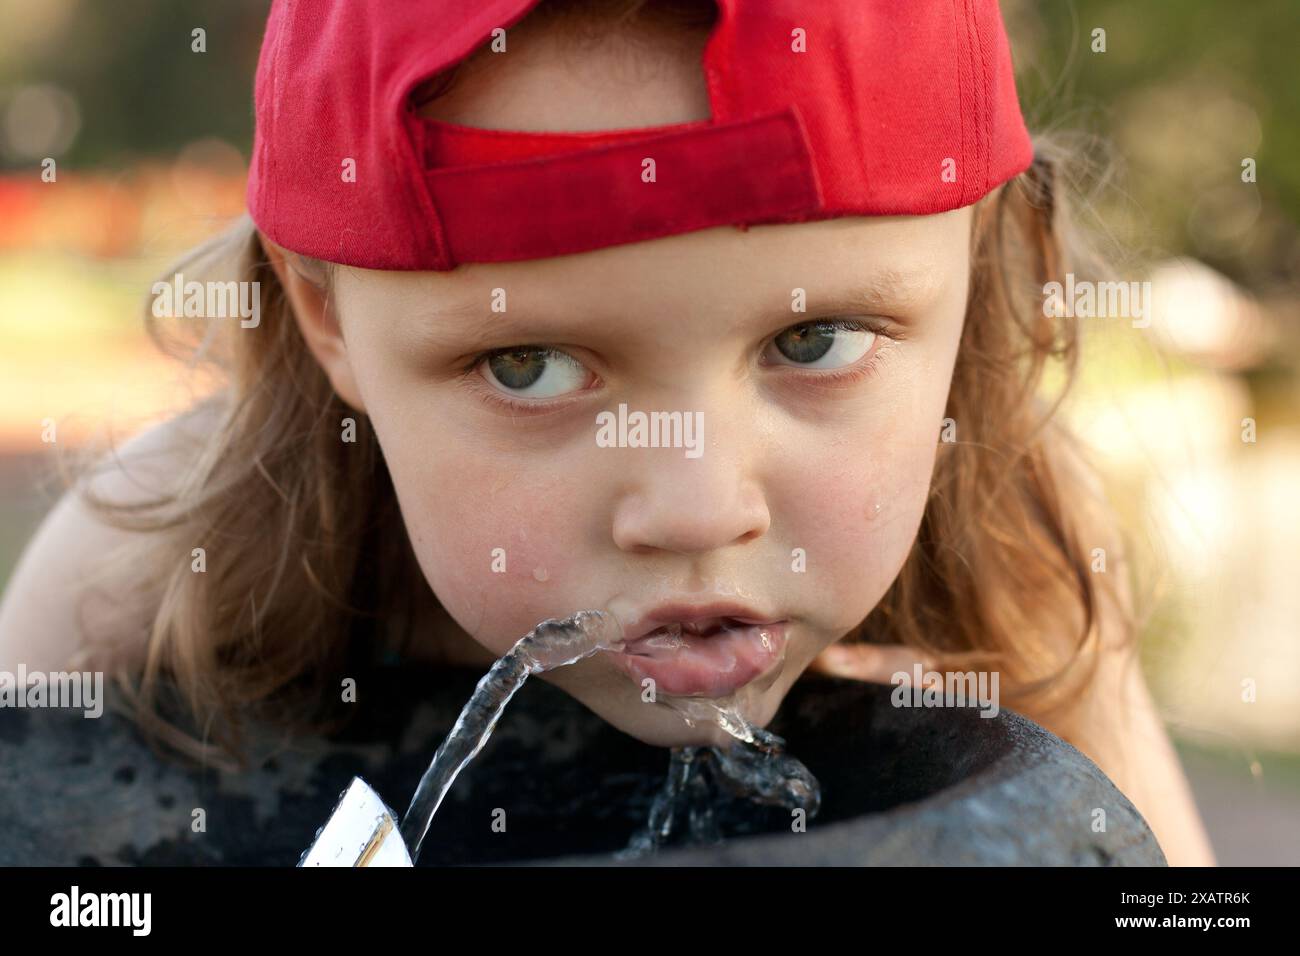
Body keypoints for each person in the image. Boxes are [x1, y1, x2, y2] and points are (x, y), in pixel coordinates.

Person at [0, 0, 1216, 865]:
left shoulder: (1013, 540)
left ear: (971, 271)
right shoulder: (147, 572)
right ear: (328, 318)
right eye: (527, 366)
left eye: (813, 342)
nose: (695, 507)